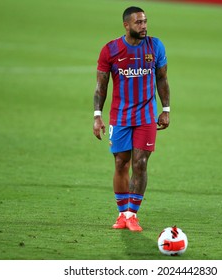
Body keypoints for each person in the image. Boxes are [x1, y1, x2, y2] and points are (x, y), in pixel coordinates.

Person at [93, 6, 170, 232]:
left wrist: (166, 109)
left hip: (146, 115)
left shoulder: (155, 46)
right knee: (121, 163)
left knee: (140, 163)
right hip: (121, 115)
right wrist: (97, 116)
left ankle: (131, 214)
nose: (144, 26)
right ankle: (121, 213)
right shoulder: (110, 50)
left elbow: (162, 79)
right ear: (126, 25)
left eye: (145, 21)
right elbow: (101, 86)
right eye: (138, 22)